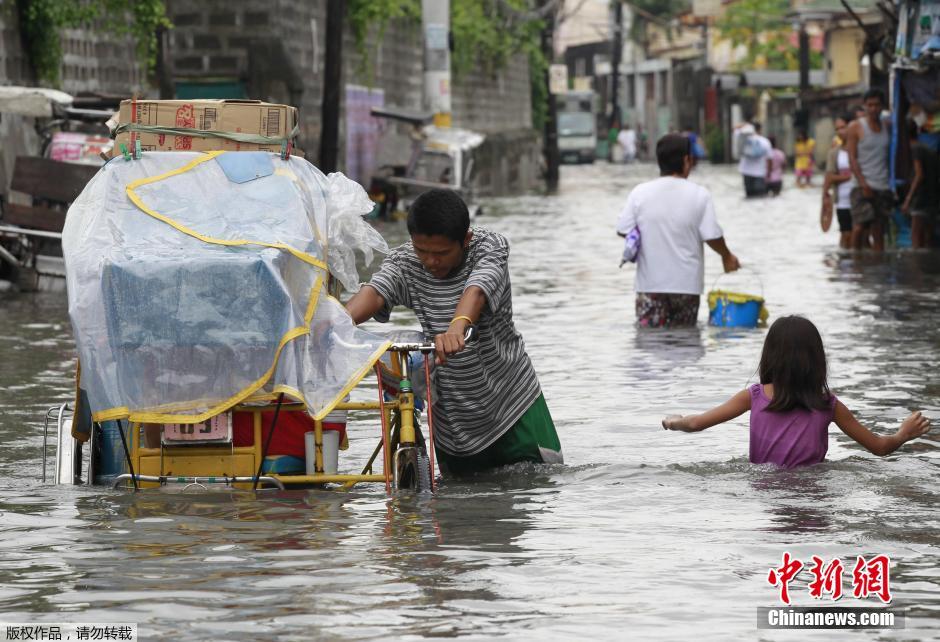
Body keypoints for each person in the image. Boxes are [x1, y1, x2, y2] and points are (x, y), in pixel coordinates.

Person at [345, 188, 563, 475]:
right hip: (454, 424)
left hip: (512, 405)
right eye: (422, 251)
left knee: (538, 487)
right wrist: (335, 324)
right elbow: (375, 293)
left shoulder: (489, 247)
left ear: (466, 240)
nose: (431, 261)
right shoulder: (405, 262)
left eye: (442, 253)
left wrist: (457, 327)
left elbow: (478, 290)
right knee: (457, 509)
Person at [662, 316, 931, 468]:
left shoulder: (754, 396)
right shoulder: (829, 405)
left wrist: (675, 421)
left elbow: (696, 423)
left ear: (770, 356)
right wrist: (902, 434)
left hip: (764, 489)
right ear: (816, 359)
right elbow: (879, 448)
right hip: (813, 489)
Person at [616, 134, 741, 328]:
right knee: (685, 344)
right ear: (686, 160)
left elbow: (623, 229)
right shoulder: (699, 194)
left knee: (650, 346)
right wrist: (726, 255)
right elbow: (712, 236)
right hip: (686, 286)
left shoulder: (639, 193)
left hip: (650, 285)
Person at [845, 88, 893, 251]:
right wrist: (863, 184)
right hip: (861, 186)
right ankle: (856, 265)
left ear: (882, 106)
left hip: (882, 185)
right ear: (864, 106)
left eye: (877, 105)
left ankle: (878, 266)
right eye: (869, 105)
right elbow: (852, 158)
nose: (873, 109)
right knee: (859, 226)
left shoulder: (887, 126)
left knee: (878, 230)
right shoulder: (856, 127)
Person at [901, 121, 939, 248]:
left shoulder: (915, 149)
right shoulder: (929, 149)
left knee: (916, 235)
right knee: (929, 236)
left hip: (920, 198)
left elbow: (919, 175)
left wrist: (908, 199)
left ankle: (916, 265)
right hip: (932, 198)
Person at [821, 114, 856, 248]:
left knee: (858, 234)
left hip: (859, 199)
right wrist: (825, 196)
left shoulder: (859, 150)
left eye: (843, 127)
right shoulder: (834, 153)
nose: (840, 132)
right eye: (837, 129)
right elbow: (829, 177)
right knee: (845, 234)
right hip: (842, 201)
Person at [734, 121, 771, 197]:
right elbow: (769, 159)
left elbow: (735, 128)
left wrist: (745, 124)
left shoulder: (743, 138)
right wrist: (769, 173)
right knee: (760, 196)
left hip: (746, 172)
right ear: (760, 129)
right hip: (760, 173)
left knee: (749, 196)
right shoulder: (765, 141)